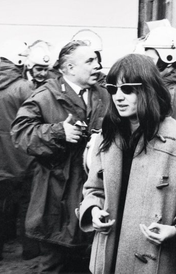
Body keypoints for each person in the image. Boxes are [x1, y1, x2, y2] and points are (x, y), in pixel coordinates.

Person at [78, 53, 176, 274]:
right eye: (113, 89)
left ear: (148, 89)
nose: (118, 97)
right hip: (106, 258)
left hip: (155, 260)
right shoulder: (107, 137)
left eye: (128, 89)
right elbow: (93, 188)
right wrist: (93, 210)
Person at [11, 40, 110, 273]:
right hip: (55, 199)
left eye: (96, 60)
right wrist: (57, 132)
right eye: (90, 61)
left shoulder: (104, 94)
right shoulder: (45, 96)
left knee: (89, 265)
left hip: (93, 195)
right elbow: (21, 133)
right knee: (55, 264)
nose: (97, 65)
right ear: (69, 68)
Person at [0, 39, 40, 260]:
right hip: (22, 158)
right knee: (27, 204)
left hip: (1, 161)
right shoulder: (23, 87)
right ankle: (30, 250)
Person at [140, 26, 176, 127]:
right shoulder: (168, 86)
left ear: (167, 60)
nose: (145, 65)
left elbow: (169, 138)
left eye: (150, 60)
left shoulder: (175, 95)